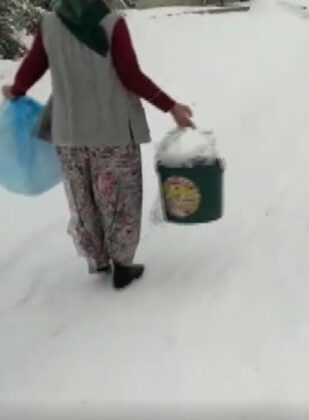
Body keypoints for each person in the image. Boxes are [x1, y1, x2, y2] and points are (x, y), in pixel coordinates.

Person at [2, 0, 194, 290]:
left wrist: (16, 90)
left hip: (68, 135)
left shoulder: (51, 24)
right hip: (111, 132)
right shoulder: (111, 23)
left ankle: (99, 259)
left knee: (84, 199)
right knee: (118, 199)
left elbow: (32, 68)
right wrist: (171, 106)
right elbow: (131, 76)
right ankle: (122, 267)